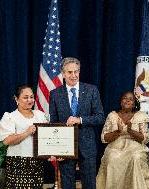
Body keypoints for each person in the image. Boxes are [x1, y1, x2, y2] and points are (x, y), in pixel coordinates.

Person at [49, 57, 104, 189]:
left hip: (87, 147)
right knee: (67, 184)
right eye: (69, 72)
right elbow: (54, 123)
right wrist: (57, 150)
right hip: (65, 147)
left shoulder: (91, 90)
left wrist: (80, 120)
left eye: (76, 72)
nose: (74, 75)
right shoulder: (55, 94)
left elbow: (100, 117)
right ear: (63, 73)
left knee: (90, 184)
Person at [96, 91, 149, 189]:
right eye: (125, 98)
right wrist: (117, 132)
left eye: (131, 99)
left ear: (134, 104)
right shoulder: (112, 115)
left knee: (136, 157)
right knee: (111, 157)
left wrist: (130, 130)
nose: (127, 100)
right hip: (115, 146)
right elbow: (104, 138)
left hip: (135, 147)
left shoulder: (141, 116)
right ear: (120, 102)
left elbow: (145, 139)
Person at [0, 84, 48, 189]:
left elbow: (48, 138)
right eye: (25, 97)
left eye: (31, 97)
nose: (29, 100)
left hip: (37, 162)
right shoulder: (10, 117)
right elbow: (6, 141)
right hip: (17, 162)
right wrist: (27, 132)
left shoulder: (40, 115)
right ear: (17, 99)